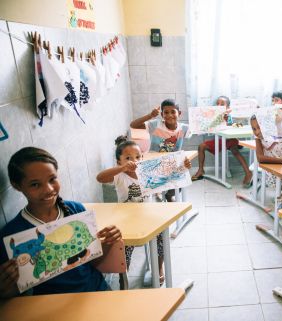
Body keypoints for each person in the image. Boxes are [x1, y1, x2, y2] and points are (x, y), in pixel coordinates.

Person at [0, 147, 122, 298]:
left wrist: (108, 241)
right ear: (17, 185)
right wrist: (5, 289)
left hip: (96, 291)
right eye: (35, 184)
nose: (49, 189)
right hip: (52, 306)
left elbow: (93, 260)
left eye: (52, 179)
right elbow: (15, 293)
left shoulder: (76, 210)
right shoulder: (13, 235)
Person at [96, 136, 190, 285]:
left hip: (148, 215)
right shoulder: (119, 176)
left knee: (162, 238)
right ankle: (123, 277)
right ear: (118, 161)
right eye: (128, 158)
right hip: (127, 219)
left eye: (138, 157)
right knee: (123, 247)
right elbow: (100, 178)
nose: (134, 161)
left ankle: (158, 268)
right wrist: (122, 168)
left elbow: (170, 175)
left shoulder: (148, 172)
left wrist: (183, 166)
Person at [130, 98, 190, 201]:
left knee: (181, 175)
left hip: (171, 163)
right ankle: (158, 195)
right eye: (166, 112)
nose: (170, 115)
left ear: (179, 113)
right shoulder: (155, 125)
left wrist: (223, 120)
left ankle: (169, 195)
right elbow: (133, 125)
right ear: (162, 115)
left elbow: (203, 128)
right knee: (153, 187)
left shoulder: (184, 128)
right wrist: (150, 115)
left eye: (173, 112)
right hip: (154, 163)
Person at [191, 96, 253, 187]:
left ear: (227, 107)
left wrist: (225, 118)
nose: (219, 106)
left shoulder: (228, 116)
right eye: (218, 103)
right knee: (201, 146)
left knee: (234, 149)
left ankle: (248, 173)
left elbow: (230, 127)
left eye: (222, 104)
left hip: (230, 139)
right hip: (221, 140)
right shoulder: (212, 115)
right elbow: (208, 126)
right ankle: (201, 170)